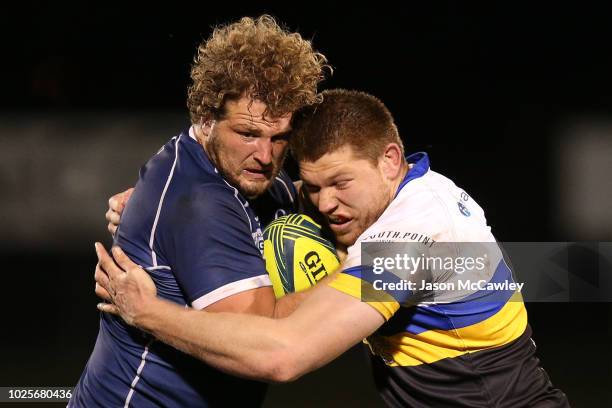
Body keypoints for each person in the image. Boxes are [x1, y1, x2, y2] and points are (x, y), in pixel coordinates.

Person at [96, 89, 570, 407]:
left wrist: (148, 314)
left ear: (389, 160)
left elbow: (285, 355)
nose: (327, 204)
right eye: (315, 186)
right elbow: (276, 193)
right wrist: (162, 199)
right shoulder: (394, 195)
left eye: (340, 183)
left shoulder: (415, 241)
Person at [70, 15, 329, 407]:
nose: (265, 155)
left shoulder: (218, 166)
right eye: (248, 133)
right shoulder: (201, 203)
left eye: (280, 138)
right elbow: (269, 349)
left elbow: (286, 198)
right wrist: (365, 266)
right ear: (206, 120)